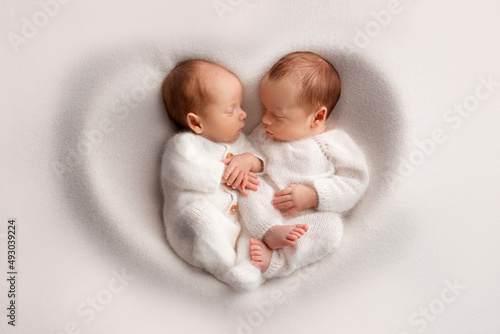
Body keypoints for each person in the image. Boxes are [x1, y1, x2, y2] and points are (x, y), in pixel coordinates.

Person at [239, 51, 370, 279]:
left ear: (317, 118)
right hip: (267, 209)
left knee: (331, 230)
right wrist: (247, 160)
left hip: (308, 218)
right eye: (264, 109)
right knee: (249, 185)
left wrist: (313, 195)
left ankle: (278, 262)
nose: (265, 120)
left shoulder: (332, 144)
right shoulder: (265, 135)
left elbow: (354, 182)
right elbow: (249, 151)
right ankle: (268, 232)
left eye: (277, 115)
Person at [160, 59, 263, 290]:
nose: (243, 114)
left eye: (241, 105)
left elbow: (260, 159)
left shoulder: (241, 141)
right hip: (192, 231)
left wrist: (248, 160)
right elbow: (180, 169)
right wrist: (225, 173)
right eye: (230, 110)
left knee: (253, 229)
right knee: (201, 215)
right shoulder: (184, 145)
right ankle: (228, 270)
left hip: (234, 227)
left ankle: (247, 267)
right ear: (197, 123)